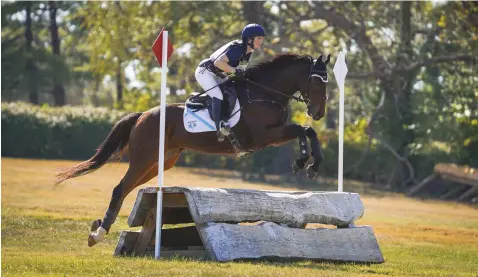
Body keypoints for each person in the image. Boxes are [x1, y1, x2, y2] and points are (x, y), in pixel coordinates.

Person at [195, 23, 266, 142]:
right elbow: (218, 63)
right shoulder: (237, 49)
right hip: (205, 73)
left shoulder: (248, 52)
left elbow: (239, 70)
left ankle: (229, 121)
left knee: (233, 92)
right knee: (218, 94)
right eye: (259, 38)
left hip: (219, 76)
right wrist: (234, 71)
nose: (261, 41)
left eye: (262, 38)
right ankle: (220, 127)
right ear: (249, 39)